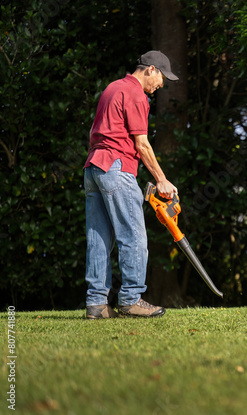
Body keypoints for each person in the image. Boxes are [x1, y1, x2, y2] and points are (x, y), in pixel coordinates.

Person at [84, 51, 179, 319]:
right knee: (133, 236)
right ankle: (130, 299)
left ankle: (97, 304)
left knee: (98, 239)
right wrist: (161, 179)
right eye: (161, 77)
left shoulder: (112, 87)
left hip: (93, 169)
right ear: (150, 69)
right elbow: (142, 144)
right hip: (116, 167)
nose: (161, 85)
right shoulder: (137, 93)